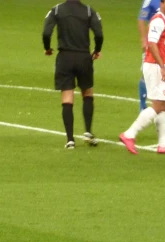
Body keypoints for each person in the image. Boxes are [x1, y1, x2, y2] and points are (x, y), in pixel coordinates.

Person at [42, 0, 104, 149]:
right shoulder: (89, 11)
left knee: (67, 97)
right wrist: (97, 50)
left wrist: (47, 48)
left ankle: (70, 140)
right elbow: (99, 34)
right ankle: (88, 131)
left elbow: (46, 32)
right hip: (83, 57)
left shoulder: (57, 10)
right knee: (87, 93)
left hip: (65, 58)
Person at [120, 0, 165, 155]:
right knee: (159, 105)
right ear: (162, 4)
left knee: (162, 104)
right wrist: (161, 66)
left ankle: (163, 144)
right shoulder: (158, 20)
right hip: (156, 66)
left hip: (158, 65)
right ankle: (129, 134)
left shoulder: (164, 20)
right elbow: (151, 44)